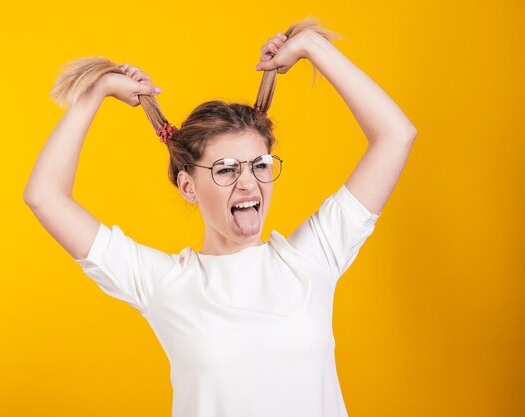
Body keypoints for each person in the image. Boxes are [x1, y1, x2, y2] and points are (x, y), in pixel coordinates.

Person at [24, 17, 417, 417]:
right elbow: (45, 196)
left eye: (259, 165)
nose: (249, 183)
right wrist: (97, 89)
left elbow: (395, 136)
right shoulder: (165, 284)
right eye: (227, 169)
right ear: (188, 187)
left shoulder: (312, 259)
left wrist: (313, 46)